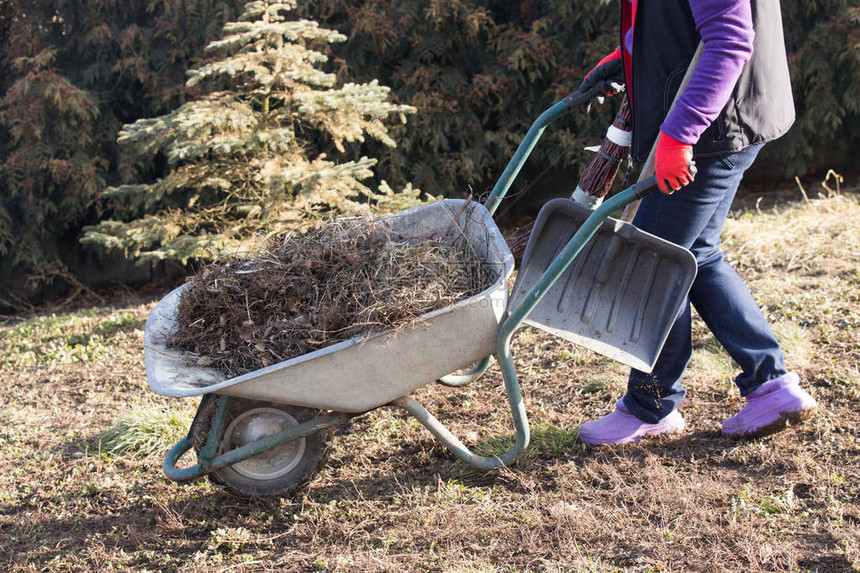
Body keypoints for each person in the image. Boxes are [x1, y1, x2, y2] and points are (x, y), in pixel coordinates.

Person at [575, 0, 817, 445]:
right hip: (726, 114)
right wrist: (628, 54)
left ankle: (651, 405)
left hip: (712, 127)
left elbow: (729, 38)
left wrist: (679, 135)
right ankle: (770, 385)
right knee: (695, 253)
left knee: (652, 258)